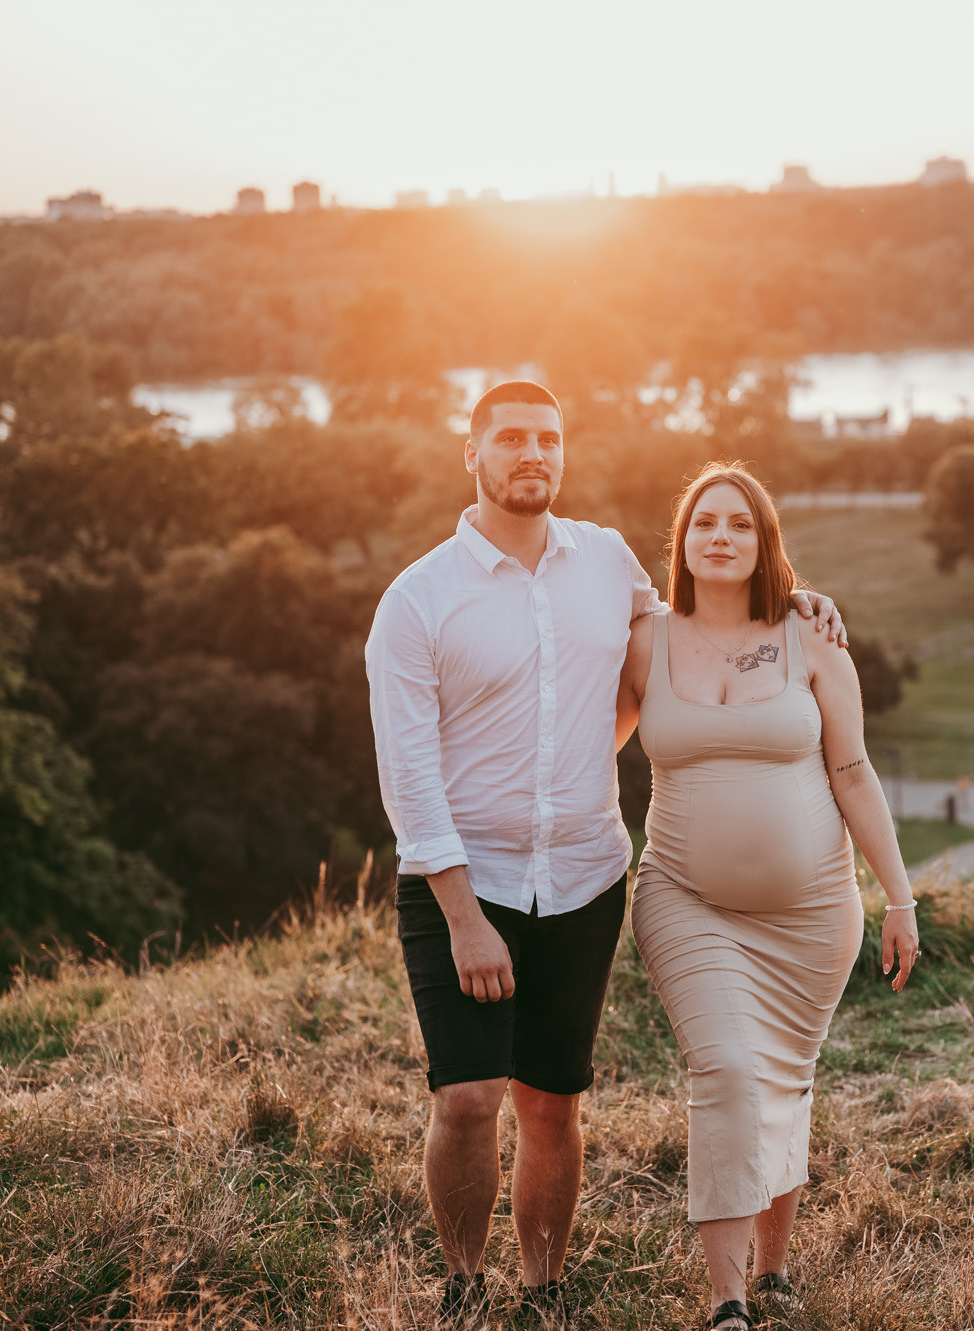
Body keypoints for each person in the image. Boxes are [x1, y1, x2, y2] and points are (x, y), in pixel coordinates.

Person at [364, 384, 846, 1325]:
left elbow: (688, 638)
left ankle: (542, 1293)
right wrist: (466, 917)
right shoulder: (418, 599)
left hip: (585, 877)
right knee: (468, 1097)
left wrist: (793, 606)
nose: (531, 453)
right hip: (466, 884)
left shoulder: (607, 563)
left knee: (553, 1104)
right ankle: (465, 1291)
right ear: (473, 455)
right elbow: (409, 778)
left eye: (547, 438)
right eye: (510, 438)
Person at [616, 463, 922, 1331]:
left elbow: (854, 773)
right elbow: (583, 740)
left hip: (813, 911)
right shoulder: (646, 640)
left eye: (739, 524)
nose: (720, 536)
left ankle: (779, 1266)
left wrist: (899, 898)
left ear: (763, 542)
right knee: (727, 1069)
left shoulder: (811, 636)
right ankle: (728, 1299)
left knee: (785, 1076)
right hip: (683, 896)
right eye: (704, 522)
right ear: (681, 543)